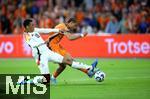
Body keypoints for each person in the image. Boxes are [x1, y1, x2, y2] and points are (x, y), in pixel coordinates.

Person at [22, 19, 98, 84]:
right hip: (40, 56)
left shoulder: (34, 30)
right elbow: (32, 44)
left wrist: (58, 30)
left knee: (68, 61)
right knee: (46, 80)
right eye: (32, 25)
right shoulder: (26, 35)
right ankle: (27, 81)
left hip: (47, 51)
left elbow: (45, 30)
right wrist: (43, 43)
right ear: (27, 27)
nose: (34, 26)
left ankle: (89, 68)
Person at [46, 18, 99, 84]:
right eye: (75, 25)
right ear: (70, 23)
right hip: (52, 46)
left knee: (63, 65)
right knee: (69, 60)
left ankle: (52, 78)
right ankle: (89, 69)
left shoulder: (63, 26)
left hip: (57, 45)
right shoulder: (63, 27)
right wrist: (82, 35)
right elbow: (70, 37)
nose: (75, 27)